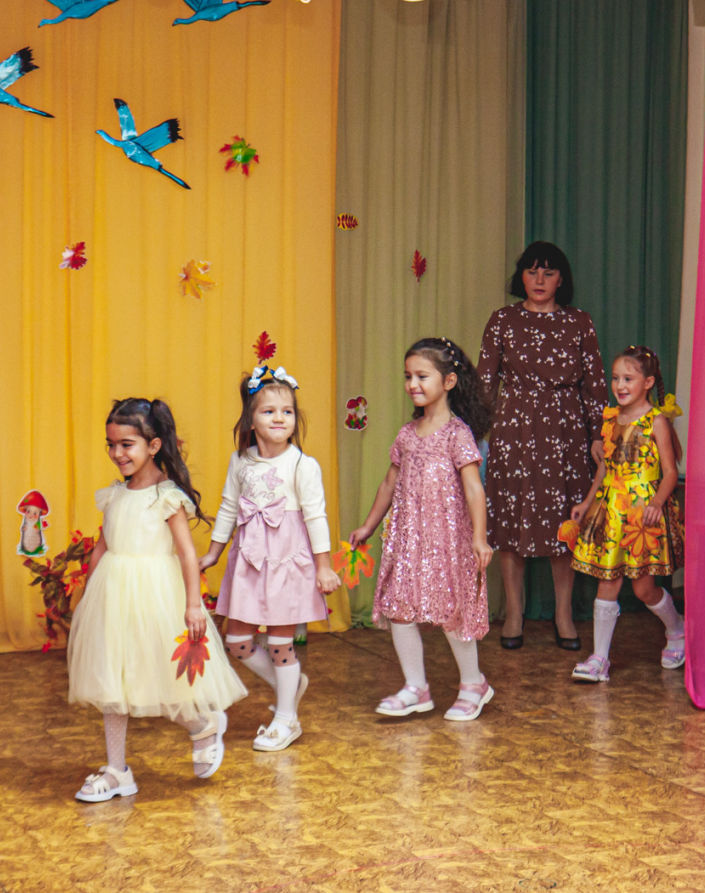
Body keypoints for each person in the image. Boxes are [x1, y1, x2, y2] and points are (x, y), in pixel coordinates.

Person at [67, 398, 246, 801]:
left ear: (153, 445)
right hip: (113, 596)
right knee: (113, 680)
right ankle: (117, 771)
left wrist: (193, 604)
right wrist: (87, 593)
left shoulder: (166, 496)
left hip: (155, 596)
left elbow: (186, 553)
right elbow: (102, 545)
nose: (117, 453)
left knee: (163, 676)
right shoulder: (115, 495)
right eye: (111, 445)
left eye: (126, 444)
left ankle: (202, 725)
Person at [349, 338, 495, 721]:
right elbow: (389, 483)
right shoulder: (407, 434)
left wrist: (479, 537)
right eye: (408, 376)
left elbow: (473, 488)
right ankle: (416, 688)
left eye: (422, 376)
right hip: (409, 540)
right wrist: (368, 525)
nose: (412, 384)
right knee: (399, 608)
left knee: (451, 610)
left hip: (447, 541)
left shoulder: (457, 434)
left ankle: (474, 684)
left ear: (448, 381)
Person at [199, 365, 340, 752]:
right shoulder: (240, 461)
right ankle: (289, 685)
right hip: (249, 562)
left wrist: (324, 566)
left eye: (287, 411)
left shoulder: (303, 465)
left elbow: (315, 517)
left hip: (286, 563)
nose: (280, 418)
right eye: (269, 411)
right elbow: (228, 508)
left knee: (280, 645)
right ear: (250, 419)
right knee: (237, 641)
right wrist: (213, 553)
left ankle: (286, 718)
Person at [477, 241, 605, 652]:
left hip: (566, 434)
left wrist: (598, 436)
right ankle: (514, 613)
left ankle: (563, 614)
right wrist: (473, 435)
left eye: (548, 272)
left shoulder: (579, 322)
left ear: (561, 279)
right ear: (522, 276)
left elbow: (595, 385)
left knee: (564, 522)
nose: (539, 279)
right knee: (510, 520)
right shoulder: (502, 320)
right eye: (532, 271)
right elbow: (484, 384)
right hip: (512, 431)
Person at [557, 346, 685, 683]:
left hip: (642, 515)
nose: (620, 385)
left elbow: (670, 472)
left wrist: (656, 503)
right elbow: (605, 469)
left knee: (644, 590)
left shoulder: (656, 421)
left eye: (628, 378)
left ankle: (677, 630)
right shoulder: (611, 420)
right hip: (612, 512)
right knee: (608, 580)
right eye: (615, 378)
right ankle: (599, 659)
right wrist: (587, 503)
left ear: (648, 382)